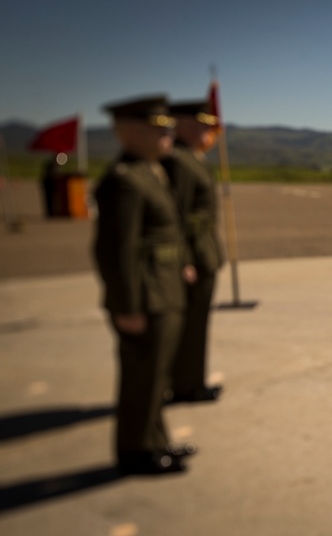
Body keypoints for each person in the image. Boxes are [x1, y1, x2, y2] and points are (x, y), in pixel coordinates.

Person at [92, 95, 197, 475]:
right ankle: (136, 451)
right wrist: (127, 306)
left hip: (162, 289)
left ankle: (157, 441)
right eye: (160, 128)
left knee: (156, 376)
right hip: (145, 297)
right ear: (130, 132)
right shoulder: (124, 182)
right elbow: (115, 252)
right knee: (142, 378)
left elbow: (164, 232)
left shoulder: (151, 171)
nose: (169, 134)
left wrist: (182, 263)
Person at [161, 99, 225, 404]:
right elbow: (175, 217)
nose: (208, 130)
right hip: (194, 258)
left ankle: (192, 380)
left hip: (204, 253)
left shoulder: (192, 157)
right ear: (182, 124)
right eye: (201, 124)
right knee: (188, 326)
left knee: (197, 324)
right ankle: (186, 385)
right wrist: (184, 260)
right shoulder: (177, 160)